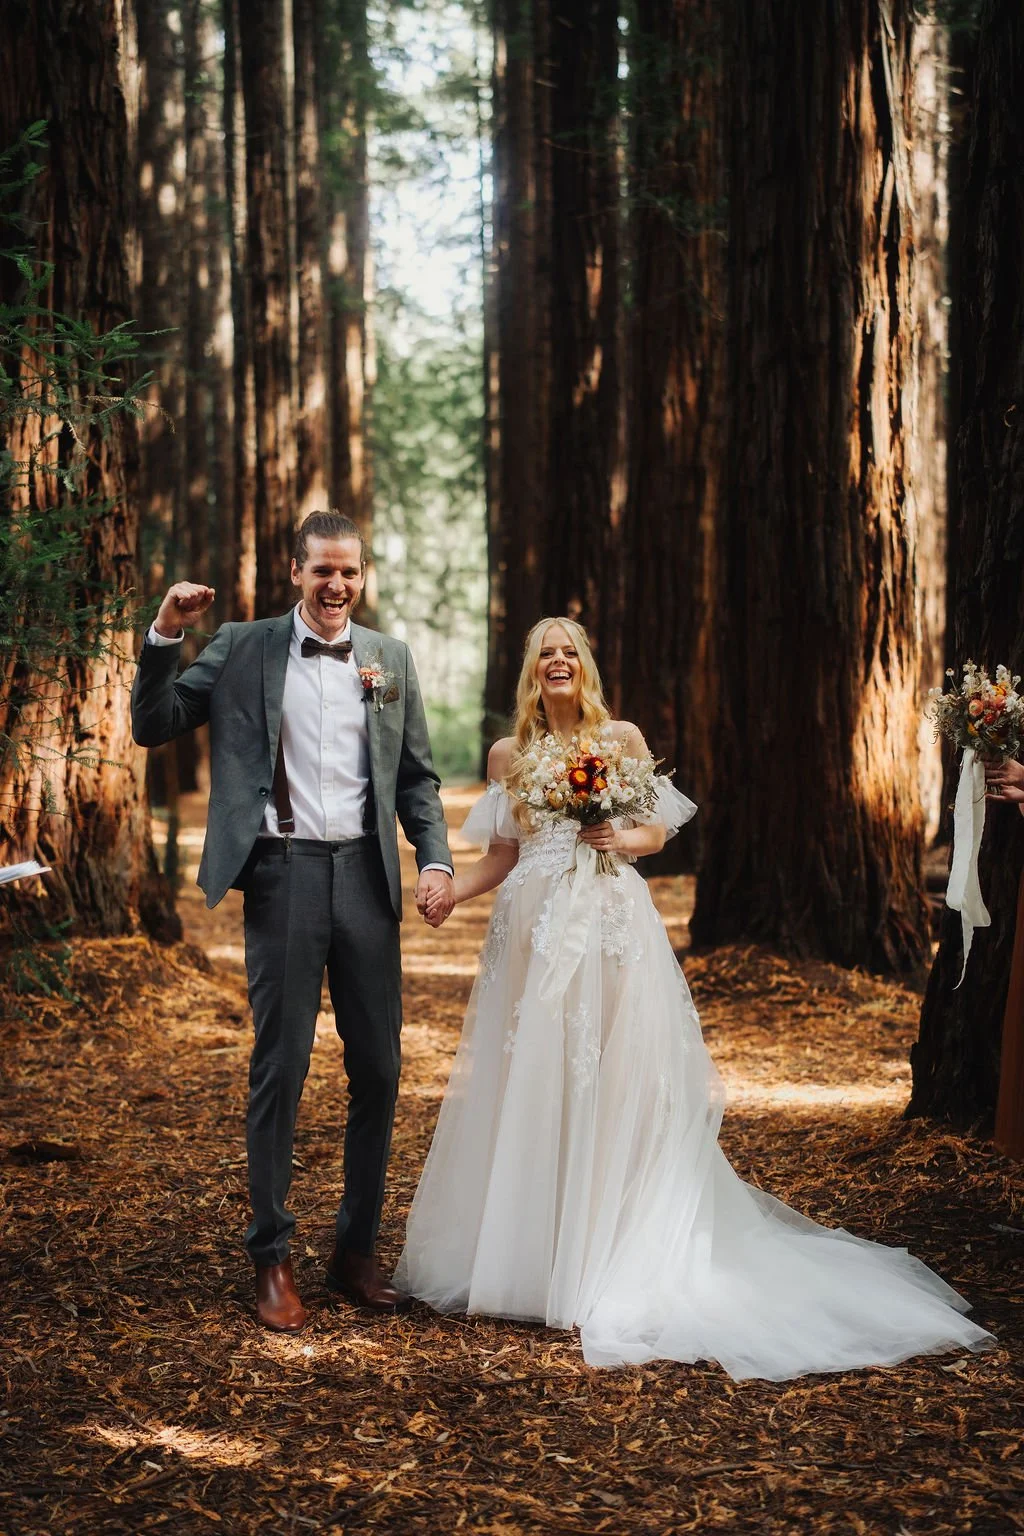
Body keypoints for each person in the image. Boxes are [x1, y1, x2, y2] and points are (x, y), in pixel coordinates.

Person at [396, 617, 994, 1380]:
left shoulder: (623, 740)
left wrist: (617, 837)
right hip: (533, 938)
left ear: (584, 666)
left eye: (568, 651)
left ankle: (606, 1254)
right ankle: (536, 1257)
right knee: (536, 1086)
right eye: (544, 653)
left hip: (609, 928)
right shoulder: (511, 755)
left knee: (610, 1081)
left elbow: (656, 832)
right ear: (530, 671)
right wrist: (450, 891)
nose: (556, 662)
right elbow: (504, 856)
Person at [131, 510, 454, 1333]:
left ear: (362, 572)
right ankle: (270, 1256)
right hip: (282, 876)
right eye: (322, 571)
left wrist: (437, 859)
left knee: (379, 1068)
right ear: (296, 571)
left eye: (350, 571)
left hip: (367, 880)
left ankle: (355, 1250)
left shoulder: (389, 659)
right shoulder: (242, 647)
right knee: (281, 1065)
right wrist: (166, 632)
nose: (337, 585)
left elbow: (416, 779)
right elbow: (153, 723)